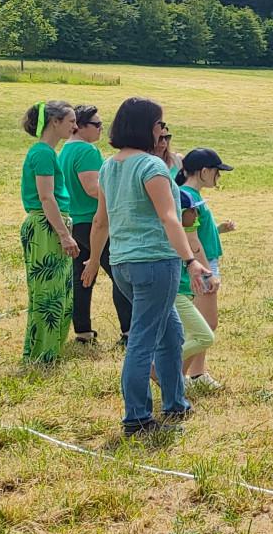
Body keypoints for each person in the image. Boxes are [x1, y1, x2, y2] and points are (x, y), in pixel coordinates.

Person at [82, 98, 209, 435]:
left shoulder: (110, 166)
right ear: (145, 128)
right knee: (142, 340)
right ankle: (137, 418)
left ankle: (175, 404)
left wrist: (95, 260)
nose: (162, 131)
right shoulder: (152, 168)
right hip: (155, 263)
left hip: (123, 263)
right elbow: (170, 217)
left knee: (171, 333)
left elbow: (100, 221)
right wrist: (191, 260)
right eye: (159, 124)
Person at [19, 100, 81, 364]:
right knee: (48, 294)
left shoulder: (47, 153)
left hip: (51, 225)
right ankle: (41, 355)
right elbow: (46, 198)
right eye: (71, 121)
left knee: (60, 293)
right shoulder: (43, 153)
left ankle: (49, 351)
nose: (75, 127)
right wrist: (64, 235)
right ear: (55, 122)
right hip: (46, 227)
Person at [174, 149, 234, 390]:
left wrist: (218, 230)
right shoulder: (188, 196)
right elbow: (192, 239)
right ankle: (177, 374)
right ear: (204, 171)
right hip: (202, 265)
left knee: (205, 324)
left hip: (205, 263)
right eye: (217, 171)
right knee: (205, 324)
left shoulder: (191, 195)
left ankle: (196, 374)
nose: (219, 176)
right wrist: (207, 272)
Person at [58, 104, 113, 345]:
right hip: (94, 221)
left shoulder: (64, 152)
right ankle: (129, 331)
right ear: (79, 126)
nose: (101, 129)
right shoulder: (87, 151)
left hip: (74, 222)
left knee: (82, 278)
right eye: (97, 125)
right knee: (121, 276)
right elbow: (92, 188)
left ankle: (83, 331)